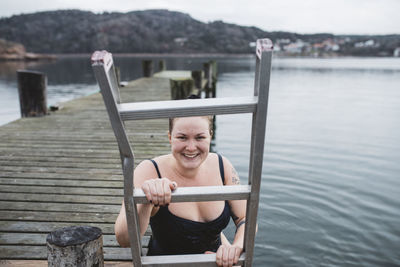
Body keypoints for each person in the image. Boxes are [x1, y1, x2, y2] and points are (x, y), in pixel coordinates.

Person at [114, 116, 248, 267]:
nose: (191, 147)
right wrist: (146, 201)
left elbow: (244, 217)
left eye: (200, 137)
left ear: (210, 135)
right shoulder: (149, 170)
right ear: (170, 137)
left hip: (216, 262)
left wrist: (235, 247)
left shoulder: (222, 166)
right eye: (182, 137)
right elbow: (124, 240)